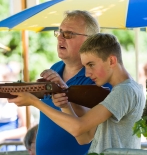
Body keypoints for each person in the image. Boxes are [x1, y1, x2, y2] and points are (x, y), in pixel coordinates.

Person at [8, 33, 145, 154]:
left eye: (91, 65)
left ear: (111, 61)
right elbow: (83, 138)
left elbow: (78, 127)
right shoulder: (122, 90)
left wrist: (34, 102)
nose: (87, 73)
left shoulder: (125, 90)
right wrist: (66, 105)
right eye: (85, 66)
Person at [13, 10, 112, 155]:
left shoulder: (99, 77)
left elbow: (87, 125)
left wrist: (58, 95)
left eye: (68, 34)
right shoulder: (55, 68)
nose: (60, 38)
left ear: (90, 40)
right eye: (59, 32)